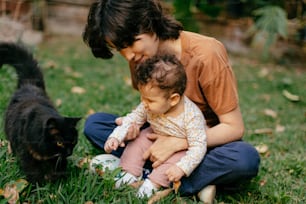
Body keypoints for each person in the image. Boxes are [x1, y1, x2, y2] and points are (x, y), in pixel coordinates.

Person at [82, 0, 260, 202]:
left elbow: (234, 128)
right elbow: (152, 107)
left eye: (132, 42)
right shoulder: (141, 58)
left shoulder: (207, 54)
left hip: (204, 139)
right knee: (95, 124)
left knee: (244, 158)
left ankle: (151, 175)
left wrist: (177, 143)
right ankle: (190, 180)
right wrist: (132, 127)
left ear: (150, 23)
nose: (129, 55)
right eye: (120, 48)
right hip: (158, 132)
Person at [104, 54, 207, 198]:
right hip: (153, 134)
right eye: (142, 97)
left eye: (150, 100)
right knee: (137, 143)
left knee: (172, 164)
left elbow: (198, 147)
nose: (144, 103)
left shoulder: (191, 116)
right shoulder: (146, 105)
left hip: (180, 147)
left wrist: (181, 168)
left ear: (173, 99)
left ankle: (153, 184)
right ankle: (129, 173)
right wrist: (116, 136)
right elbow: (133, 119)